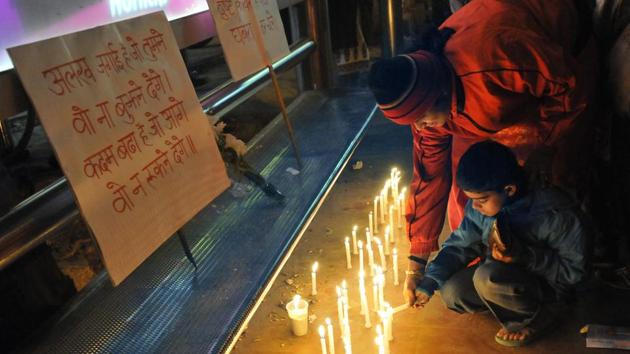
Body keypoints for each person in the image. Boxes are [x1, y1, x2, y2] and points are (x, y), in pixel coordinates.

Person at [367, 0, 598, 307]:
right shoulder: (426, 108)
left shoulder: (496, 55)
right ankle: (498, 278)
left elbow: (569, 86)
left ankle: (548, 286)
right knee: (470, 199)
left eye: (422, 117)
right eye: (413, 122)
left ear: (438, 93)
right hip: (478, 98)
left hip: (560, 70)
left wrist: (545, 147)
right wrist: (418, 261)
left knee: (553, 181)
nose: (420, 127)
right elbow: (430, 174)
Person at [411, 140, 588, 346]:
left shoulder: (554, 213)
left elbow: (574, 273)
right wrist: (429, 282)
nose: (474, 206)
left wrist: (525, 257)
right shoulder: (483, 208)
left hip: (548, 285)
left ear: (509, 190)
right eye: (471, 199)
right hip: (505, 278)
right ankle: (508, 303)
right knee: (452, 291)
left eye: (481, 200)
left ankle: (540, 315)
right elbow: (460, 246)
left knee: (487, 277)